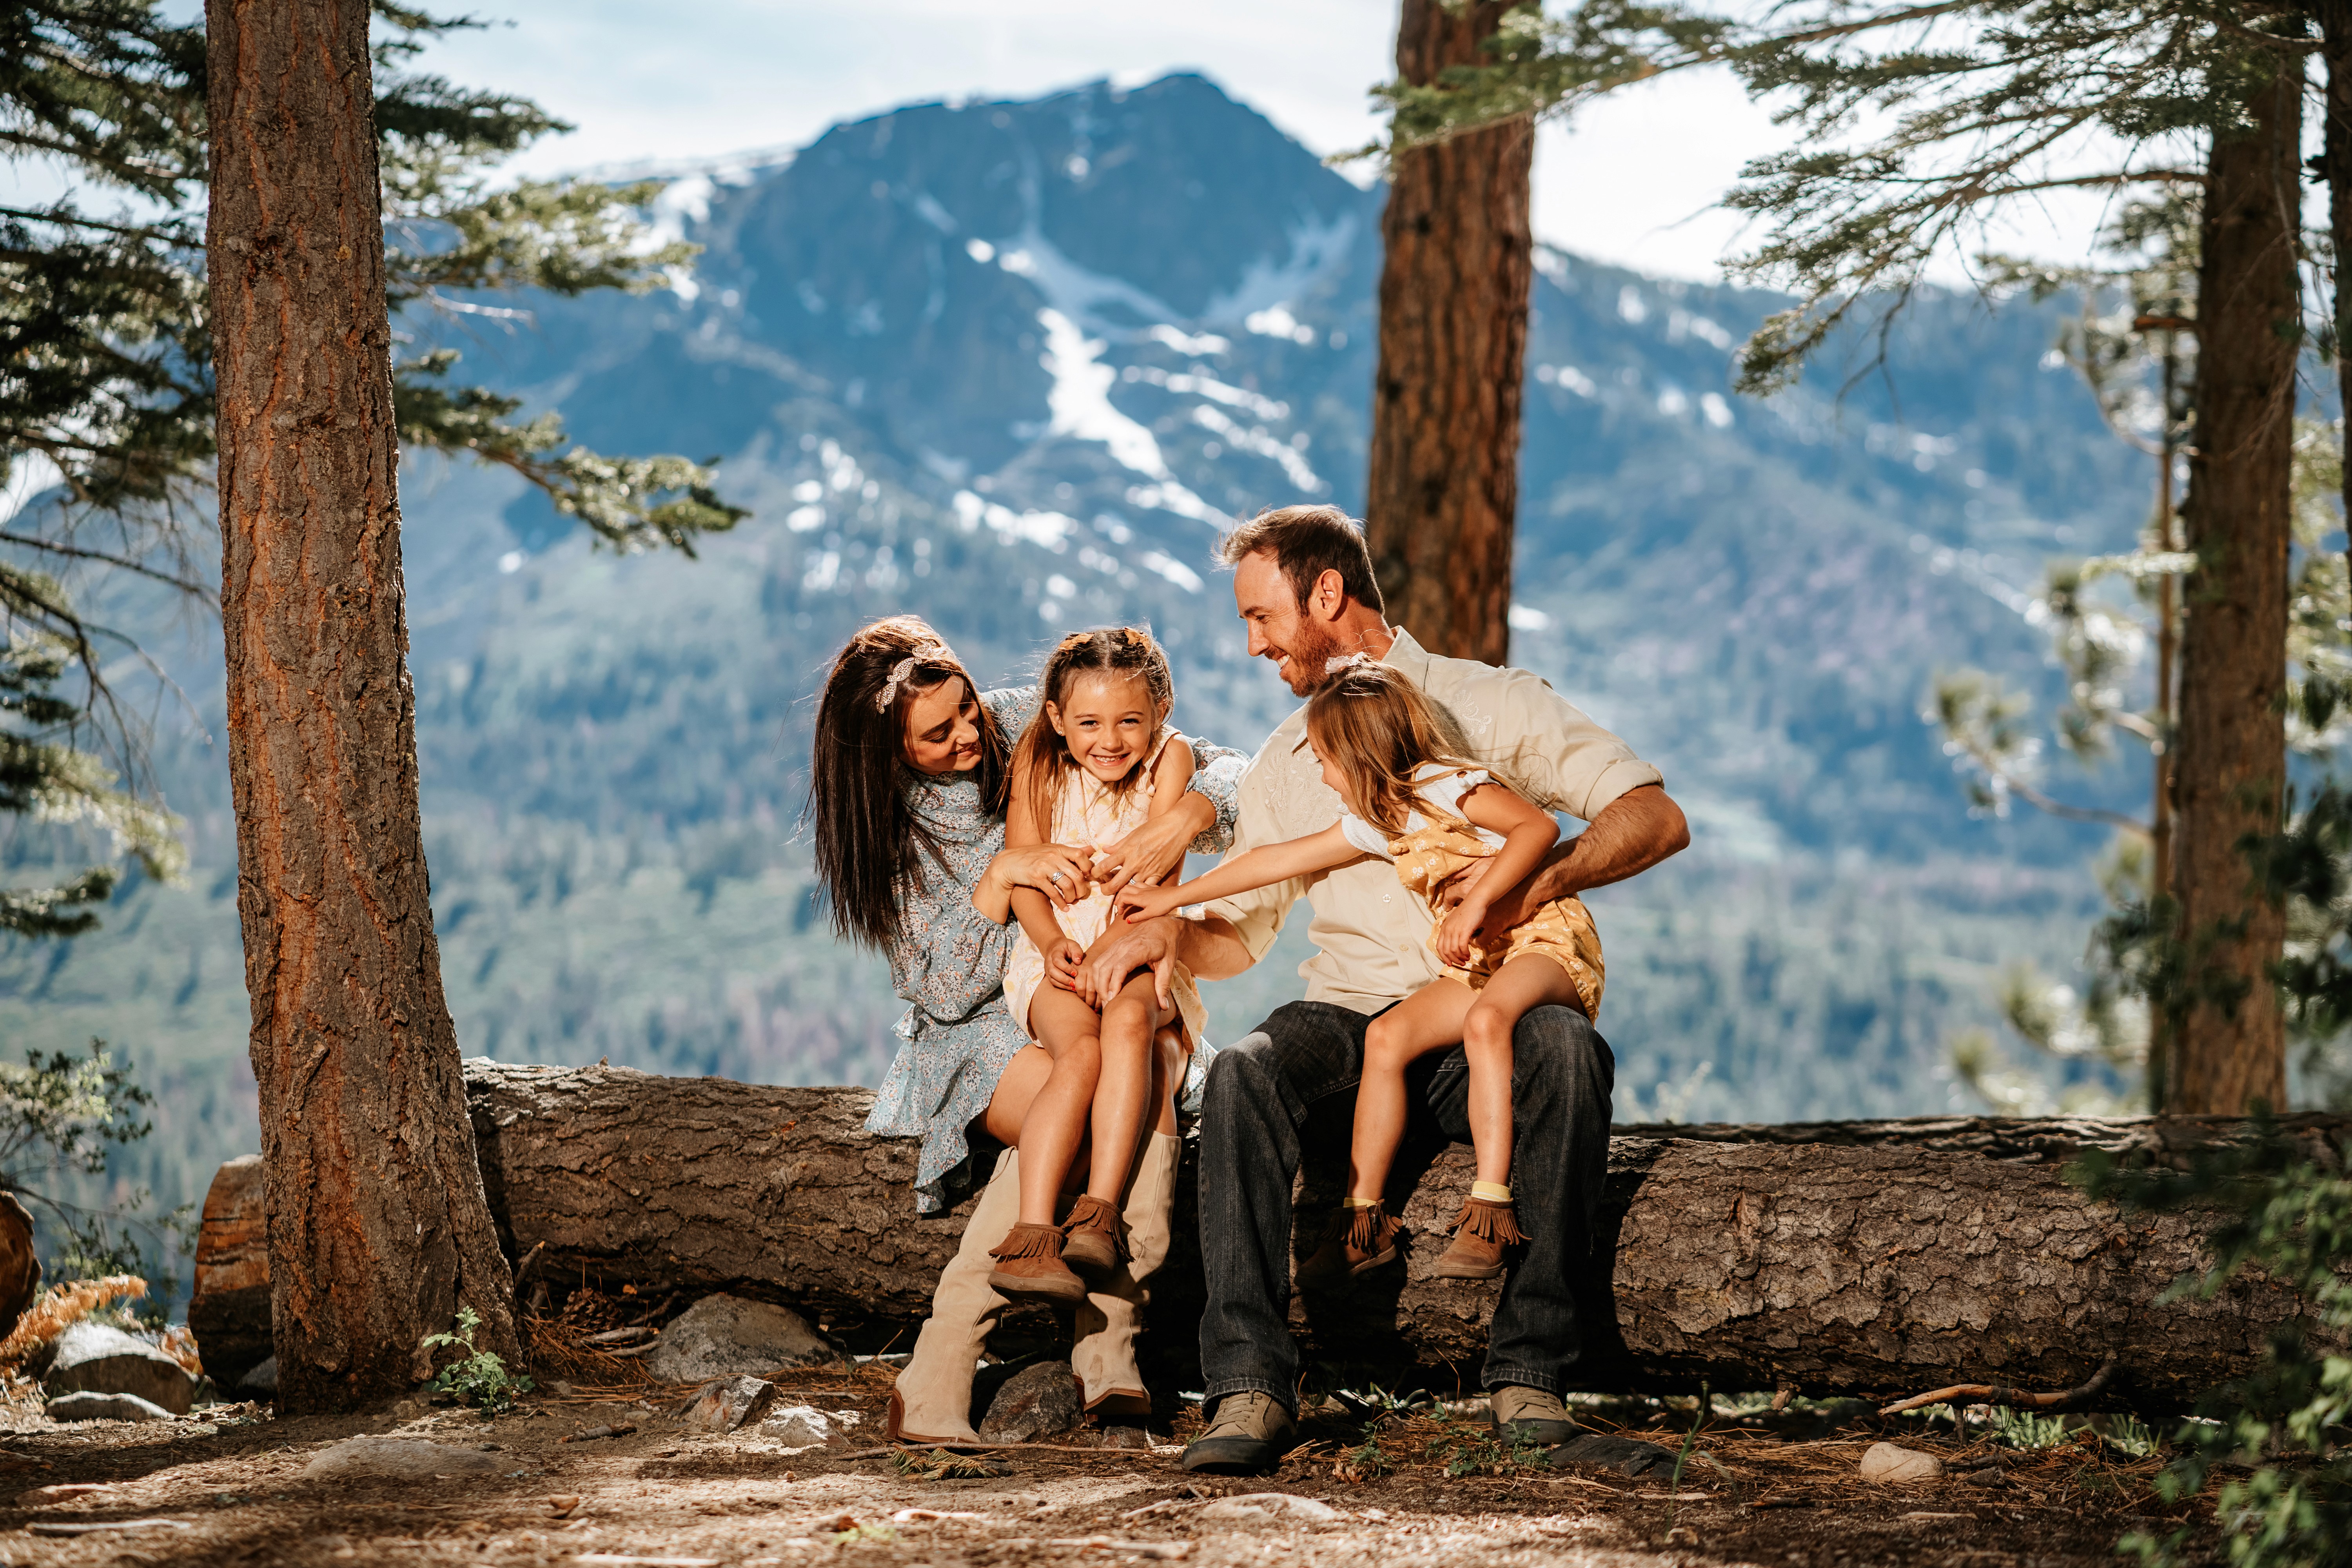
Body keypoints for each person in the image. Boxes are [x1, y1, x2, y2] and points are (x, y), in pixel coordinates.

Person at [1080, 505, 1690, 1476]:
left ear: (1327, 592)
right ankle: (1246, 1386)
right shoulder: (1293, 755)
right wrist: (1166, 926)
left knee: (1568, 1049)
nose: (1252, 645)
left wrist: (1532, 887)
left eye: (1260, 616)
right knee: (1244, 1071)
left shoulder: (1489, 705)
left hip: (1480, 1007)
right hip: (1350, 1022)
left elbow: (1654, 815)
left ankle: (1531, 1378)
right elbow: (1242, 932)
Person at [806, 615, 1245, 1442]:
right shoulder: (891, 830)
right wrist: (1006, 873)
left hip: (1088, 986)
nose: (970, 734)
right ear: (888, 748)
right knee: (1091, 1077)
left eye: (968, 709)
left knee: (1145, 1047)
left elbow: (1221, 766)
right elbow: (942, 988)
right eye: (938, 733)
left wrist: (1182, 817)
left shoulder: (1022, 722)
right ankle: (944, 1357)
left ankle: (1109, 1341)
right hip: (976, 1028)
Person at [1117, 659, 1604, 1285]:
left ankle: (1489, 1209)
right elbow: (1275, 860)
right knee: (1386, 1039)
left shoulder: (1447, 785)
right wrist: (1169, 902)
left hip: (1544, 939)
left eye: (1323, 758)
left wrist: (1482, 903)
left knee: (1488, 1022)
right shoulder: (1381, 819)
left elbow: (1539, 826)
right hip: (1483, 960)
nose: (1321, 773)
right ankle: (1362, 1224)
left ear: (1357, 754)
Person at [973, 626, 1207, 1303]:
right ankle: (1033, 1234)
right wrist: (1049, 944)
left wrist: (1121, 941)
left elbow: (1159, 871)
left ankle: (1099, 1216)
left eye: (1130, 720)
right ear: (1056, 720)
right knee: (1077, 1055)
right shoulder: (1039, 765)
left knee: (1132, 1023)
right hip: (1058, 951)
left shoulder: (1173, 761)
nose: (1110, 739)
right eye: (1089, 722)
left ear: (1161, 711)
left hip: (1136, 940)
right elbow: (1023, 879)